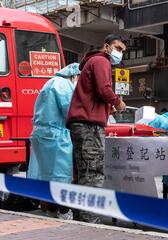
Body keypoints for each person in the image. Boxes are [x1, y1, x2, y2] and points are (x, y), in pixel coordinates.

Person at [66, 34, 127, 223]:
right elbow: (104, 89)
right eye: (118, 48)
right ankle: (90, 219)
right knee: (93, 171)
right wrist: (118, 102)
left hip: (82, 123)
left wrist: (108, 107)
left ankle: (80, 215)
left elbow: (96, 93)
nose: (120, 53)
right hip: (89, 124)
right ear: (106, 46)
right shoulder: (102, 61)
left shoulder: (92, 62)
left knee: (83, 171)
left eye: (123, 50)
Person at [28, 63, 81, 220]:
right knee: (61, 176)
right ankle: (63, 212)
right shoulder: (63, 85)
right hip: (56, 136)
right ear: (74, 75)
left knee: (46, 175)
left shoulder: (50, 82)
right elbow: (69, 110)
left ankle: (51, 210)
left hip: (41, 135)